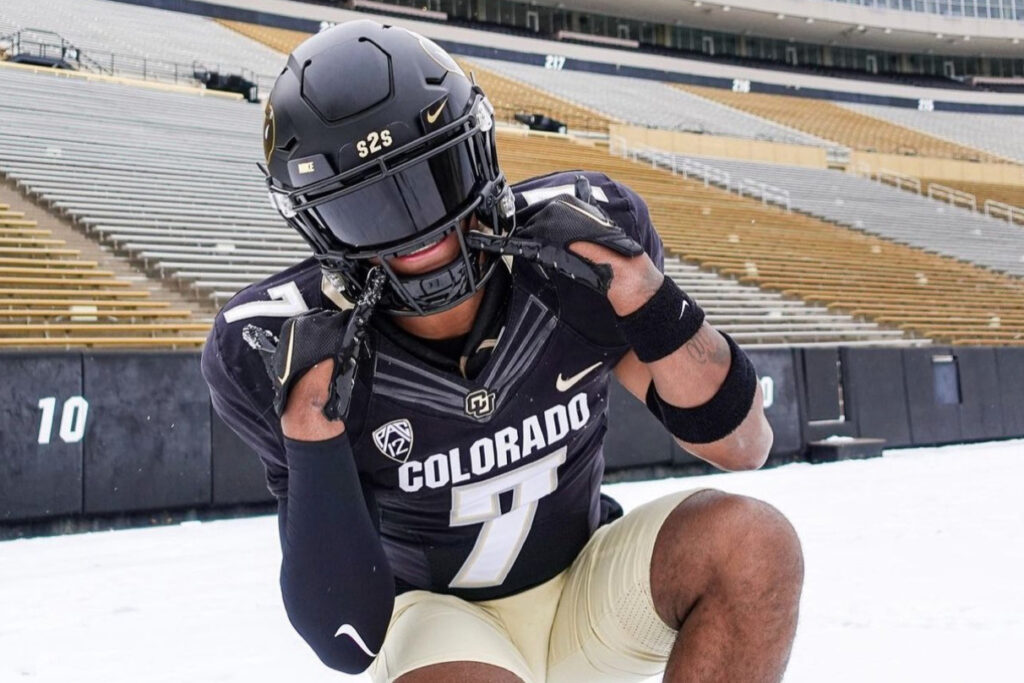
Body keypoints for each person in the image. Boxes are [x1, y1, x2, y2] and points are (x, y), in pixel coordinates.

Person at [201, 20, 803, 683]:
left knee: (753, 542)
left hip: (589, 588)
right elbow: (347, 638)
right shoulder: (272, 342)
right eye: (366, 207)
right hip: (434, 623)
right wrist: (312, 437)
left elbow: (743, 444)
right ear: (315, 221)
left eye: (434, 174)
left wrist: (643, 292)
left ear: (480, 151)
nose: (418, 227)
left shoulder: (573, 248)